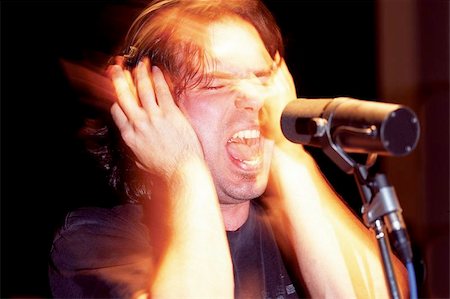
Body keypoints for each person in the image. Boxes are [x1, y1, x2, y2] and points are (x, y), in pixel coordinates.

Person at [49, 0, 409, 298]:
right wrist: (183, 170)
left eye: (261, 78)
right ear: (148, 106)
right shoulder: (94, 243)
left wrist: (287, 152)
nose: (254, 98)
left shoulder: (299, 229)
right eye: (216, 83)